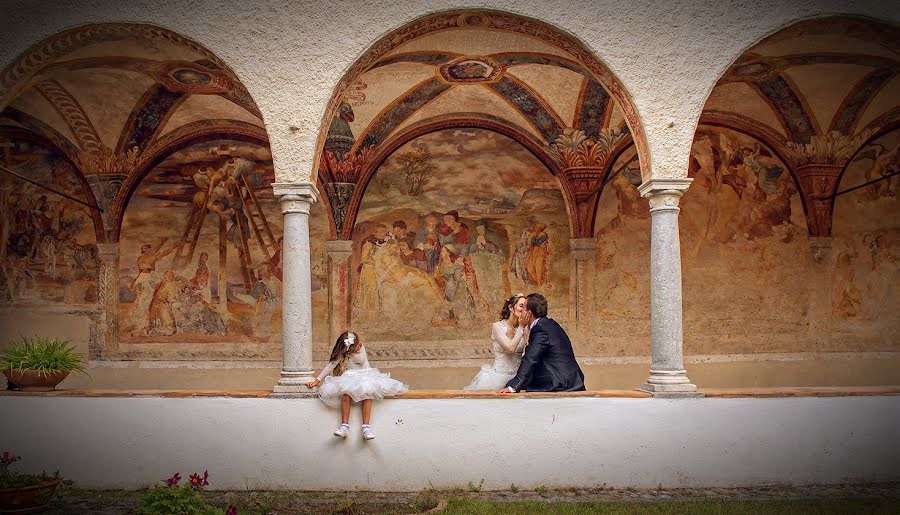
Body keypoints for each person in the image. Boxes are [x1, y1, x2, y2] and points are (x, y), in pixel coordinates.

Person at [305, 331, 408, 440]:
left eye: (358, 343)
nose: (360, 344)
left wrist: (350, 352)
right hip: (350, 375)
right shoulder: (344, 351)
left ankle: (366, 428)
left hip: (366, 374)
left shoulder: (360, 346)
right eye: (356, 345)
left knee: (367, 393)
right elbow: (331, 365)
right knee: (346, 393)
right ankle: (344, 426)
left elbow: (362, 360)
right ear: (348, 348)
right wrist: (318, 379)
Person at [499, 293, 585, 393]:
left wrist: (513, 387)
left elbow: (530, 359)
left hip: (561, 383)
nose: (521, 311)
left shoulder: (540, 329)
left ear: (528, 313)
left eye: (524, 309)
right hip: (572, 379)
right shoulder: (549, 324)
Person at [464, 293, 528, 390]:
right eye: (521, 306)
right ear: (511, 307)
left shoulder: (525, 329)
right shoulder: (497, 326)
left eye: (526, 307)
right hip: (497, 379)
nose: (524, 310)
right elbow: (510, 348)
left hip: (517, 380)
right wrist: (521, 328)